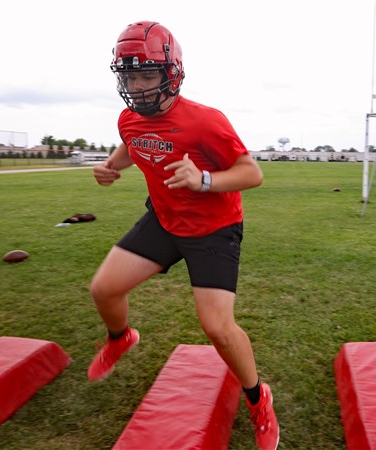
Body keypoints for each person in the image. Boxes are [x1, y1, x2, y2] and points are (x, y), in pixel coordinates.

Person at [87, 21, 279, 450]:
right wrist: (111, 167)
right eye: (130, 76)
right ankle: (121, 339)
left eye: (147, 75)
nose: (136, 87)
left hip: (213, 228)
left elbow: (253, 173)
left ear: (172, 72)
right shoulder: (129, 117)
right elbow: (132, 144)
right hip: (164, 220)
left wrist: (204, 180)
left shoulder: (205, 121)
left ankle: (257, 398)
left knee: (218, 327)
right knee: (103, 289)